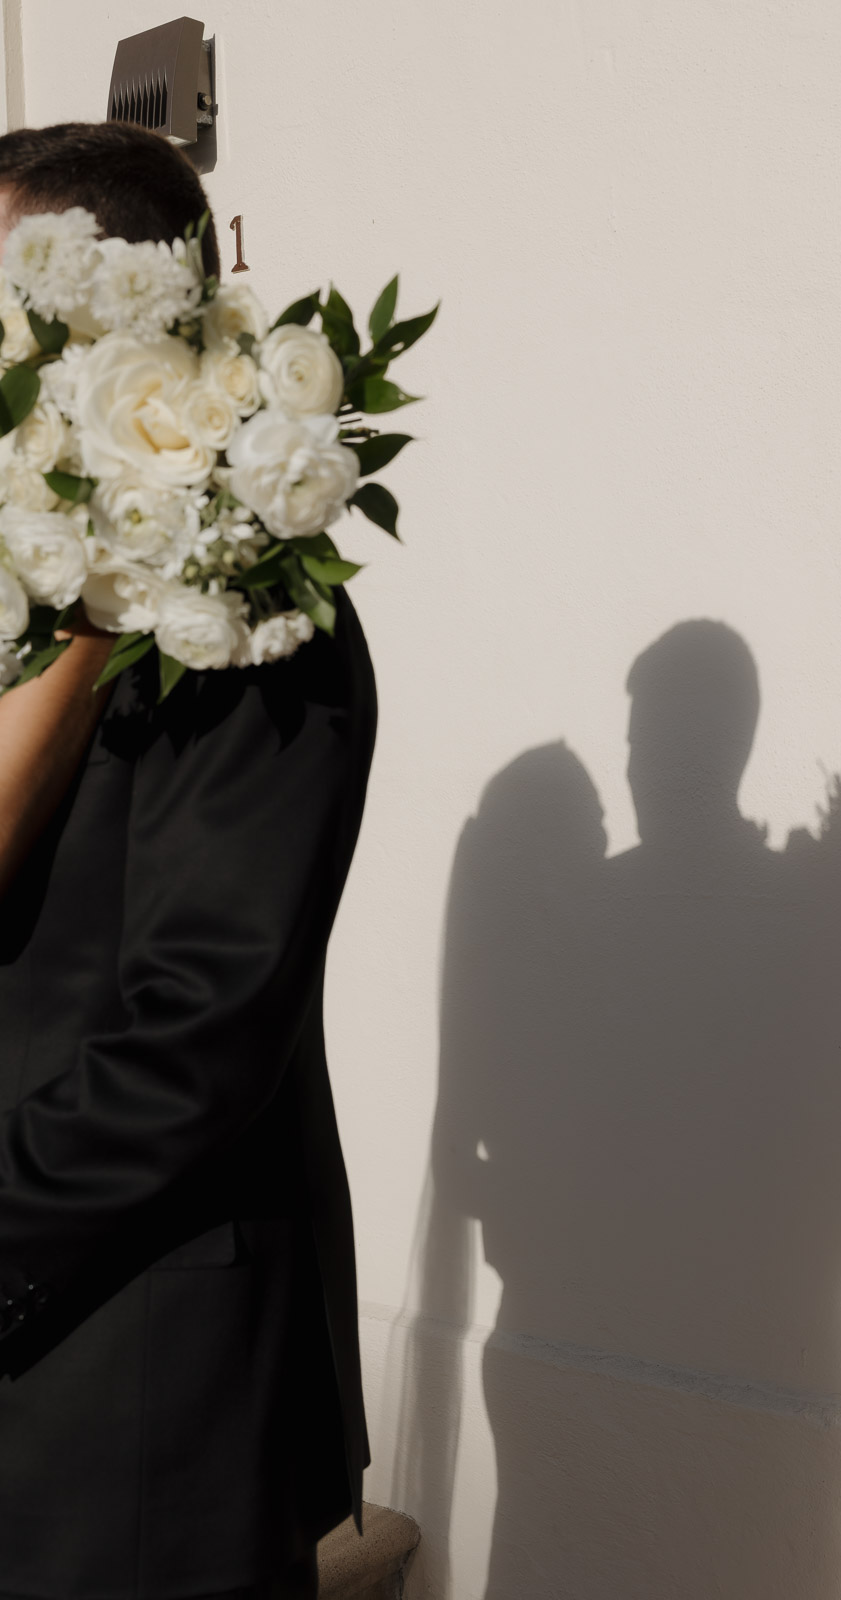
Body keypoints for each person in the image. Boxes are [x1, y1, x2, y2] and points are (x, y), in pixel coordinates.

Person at [0, 123, 376, 1600]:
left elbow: (201, 1027)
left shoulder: (254, 612)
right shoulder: (34, 585)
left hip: (135, 1393)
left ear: (106, 319)